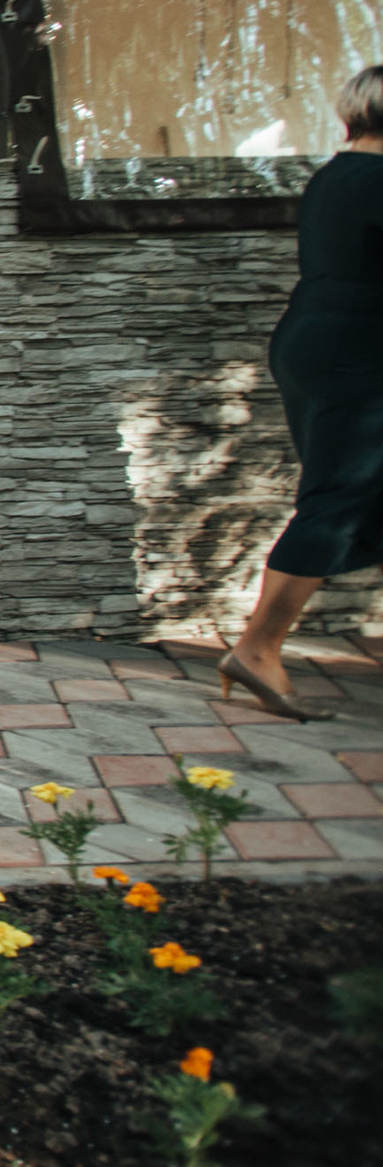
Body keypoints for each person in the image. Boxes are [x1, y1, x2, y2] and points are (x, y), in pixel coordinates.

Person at [223, 66, 383, 722]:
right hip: (357, 351)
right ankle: (256, 649)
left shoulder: (334, 175)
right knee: (337, 499)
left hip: (316, 337)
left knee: (356, 495)